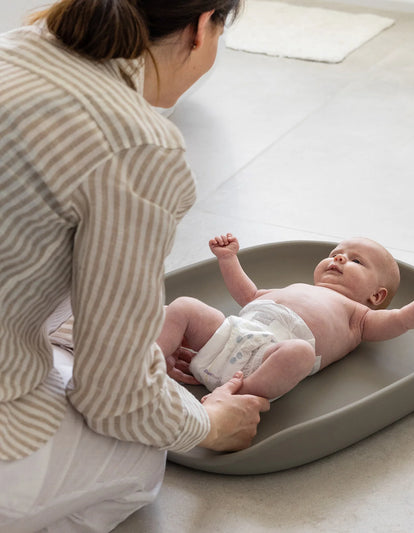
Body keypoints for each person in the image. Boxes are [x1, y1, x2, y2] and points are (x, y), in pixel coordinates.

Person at [0, 1, 270, 531]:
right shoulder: (138, 145)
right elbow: (114, 397)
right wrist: (209, 423)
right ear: (202, 27)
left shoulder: (11, 50)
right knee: (141, 458)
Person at [158, 234, 414, 400]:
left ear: (376, 296)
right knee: (184, 306)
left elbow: (405, 319)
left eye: (356, 261)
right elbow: (248, 295)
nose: (339, 257)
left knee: (300, 352)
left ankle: (236, 397)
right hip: (227, 337)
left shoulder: (359, 316)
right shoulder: (294, 287)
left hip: (266, 363)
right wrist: (228, 260)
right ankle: (151, 360)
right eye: (336, 253)